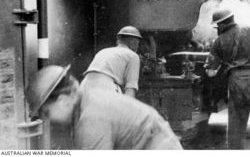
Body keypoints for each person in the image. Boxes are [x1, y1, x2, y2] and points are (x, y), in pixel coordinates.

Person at [26, 65, 183, 150]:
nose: (48, 120)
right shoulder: (87, 100)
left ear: (62, 101)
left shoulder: (90, 120)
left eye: (47, 113)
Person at [204, 9, 250, 150]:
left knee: (236, 125)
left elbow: (211, 73)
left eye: (217, 26)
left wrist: (215, 65)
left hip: (236, 83)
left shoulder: (218, 42)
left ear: (220, 25)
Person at [83, 26, 142, 98]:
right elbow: (130, 88)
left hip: (84, 87)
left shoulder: (103, 51)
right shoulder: (133, 56)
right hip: (105, 88)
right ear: (132, 41)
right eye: (137, 40)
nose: (138, 44)